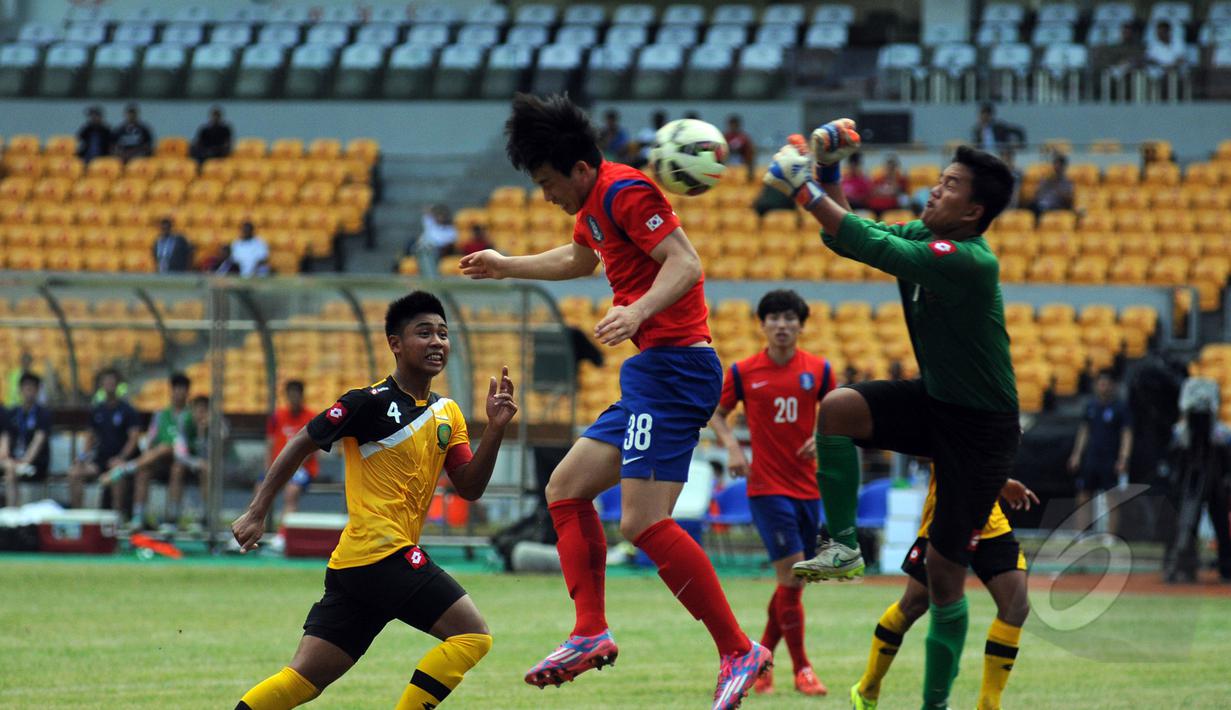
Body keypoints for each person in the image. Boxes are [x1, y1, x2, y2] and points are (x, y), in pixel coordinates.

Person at [459, 93, 770, 709]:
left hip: (677, 369)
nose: (545, 194)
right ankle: (589, 632)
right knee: (565, 488)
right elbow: (580, 258)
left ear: (577, 169)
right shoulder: (592, 204)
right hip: (651, 373)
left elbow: (686, 263)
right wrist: (505, 265)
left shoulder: (625, 190)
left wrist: (637, 311)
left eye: (548, 182)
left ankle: (739, 649)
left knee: (642, 521)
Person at [764, 124, 1020, 709]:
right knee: (837, 409)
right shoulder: (929, 238)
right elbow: (853, 236)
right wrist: (826, 171)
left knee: (942, 576)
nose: (934, 190)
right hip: (940, 402)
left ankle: (933, 705)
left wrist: (802, 189)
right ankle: (845, 546)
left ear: (974, 210)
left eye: (949, 186)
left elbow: (871, 244)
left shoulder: (970, 261)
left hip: (982, 432)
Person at [231, 291, 518, 709]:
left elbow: (469, 487)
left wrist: (495, 429)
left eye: (443, 333)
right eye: (424, 333)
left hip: (359, 566)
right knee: (472, 635)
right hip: (381, 554)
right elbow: (300, 442)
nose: (437, 342)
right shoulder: (367, 402)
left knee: (304, 679)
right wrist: (258, 510)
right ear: (395, 344)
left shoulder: (449, 413)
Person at [708, 289, 841, 697]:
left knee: (792, 582)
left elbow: (840, 413)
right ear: (762, 324)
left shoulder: (818, 370)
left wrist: (825, 435)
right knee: (795, 575)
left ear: (801, 324)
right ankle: (802, 669)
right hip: (766, 487)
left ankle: (759, 662)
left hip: (808, 488)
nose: (782, 325)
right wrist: (732, 446)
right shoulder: (746, 371)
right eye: (774, 318)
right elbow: (715, 411)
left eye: (789, 318)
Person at [851, 475, 1036, 710]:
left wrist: (999, 481)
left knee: (1016, 606)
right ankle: (868, 687)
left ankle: (989, 704)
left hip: (989, 520)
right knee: (913, 605)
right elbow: (946, 451)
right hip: (946, 519)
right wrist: (1001, 482)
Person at [1067, 370, 1133, 532]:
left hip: (1110, 459)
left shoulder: (1120, 408)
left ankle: (1111, 536)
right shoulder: (1091, 406)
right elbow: (1084, 431)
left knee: (1112, 498)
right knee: (1083, 495)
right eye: (1100, 383)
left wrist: (1123, 458)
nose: (1102, 387)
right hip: (1091, 458)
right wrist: (1076, 455)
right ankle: (1082, 533)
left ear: (1112, 386)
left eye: (1106, 383)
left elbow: (1127, 434)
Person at [125, 373, 193, 529]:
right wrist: (150, 453)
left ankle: (172, 519)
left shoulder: (191, 416)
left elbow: (191, 444)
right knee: (143, 471)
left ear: (188, 392)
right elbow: (151, 438)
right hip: (160, 462)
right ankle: (138, 517)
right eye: (176, 389)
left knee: (176, 467)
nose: (179, 392)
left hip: (183, 463)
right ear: (171, 391)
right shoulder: (160, 414)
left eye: (183, 389)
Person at [68, 369, 141, 513]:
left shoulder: (128, 410)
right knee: (74, 473)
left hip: (121, 461)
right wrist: (83, 457)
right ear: (101, 385)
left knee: (117, 474)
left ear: (118, 384)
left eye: (112, 381)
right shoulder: (97, 410)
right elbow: (90, 437)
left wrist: (121, 458)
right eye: (106, 381)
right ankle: (77, 516)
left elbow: (134, 438)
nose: (109, 384)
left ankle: (117, 518)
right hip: (100, 461)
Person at [263, 380, 320, 553]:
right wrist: (268, 469)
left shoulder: (312, 416)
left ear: (302, 396)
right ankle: (253, 531)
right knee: (260, 487)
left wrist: (294, 465)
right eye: (290, 394)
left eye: (297, 394)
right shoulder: (277, 417)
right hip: (278, 467)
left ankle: (282, 535)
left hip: (303, 469)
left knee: (291, 491)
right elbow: (270, 444)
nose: (293, 398)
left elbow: (314, 447)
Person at [0, 373, 51, 507]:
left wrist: (24, 461)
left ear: (38, 390)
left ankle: (12, 513)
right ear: (20, 390)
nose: (29, 391)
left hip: (34, 463)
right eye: (26, 387)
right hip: (12, 460)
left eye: (32, 388)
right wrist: (5, 457)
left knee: (11, 470)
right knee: (9, 467)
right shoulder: (12, 413)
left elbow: (38, 441)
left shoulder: (43, 414)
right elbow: (5, 439)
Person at [724, 114, 757, 180]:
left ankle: (750, 175)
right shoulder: (725, 136)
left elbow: (750, 151)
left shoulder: (744, 137)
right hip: (727, 160)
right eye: (732, 125)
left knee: (751, 151)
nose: (733, 127)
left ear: (738, 125)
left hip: (741, 161)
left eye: (735, 125)